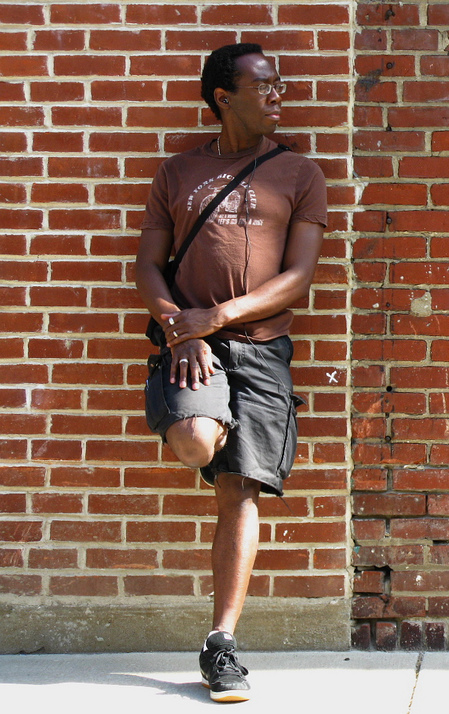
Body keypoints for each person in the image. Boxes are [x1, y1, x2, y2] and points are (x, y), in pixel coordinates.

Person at [134, 43, 327, 702]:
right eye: (266, 85)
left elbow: (298, 278)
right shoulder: (180, 170)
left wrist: (214, 316)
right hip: (191, 344)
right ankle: (198, 412)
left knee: (237, 490)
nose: (280, 94)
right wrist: (177, 327)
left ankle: (221, 646)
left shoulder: (300, 172)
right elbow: (149, 265)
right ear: (224, 96)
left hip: (260, 347)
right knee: (193, 442)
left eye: (279, 84)